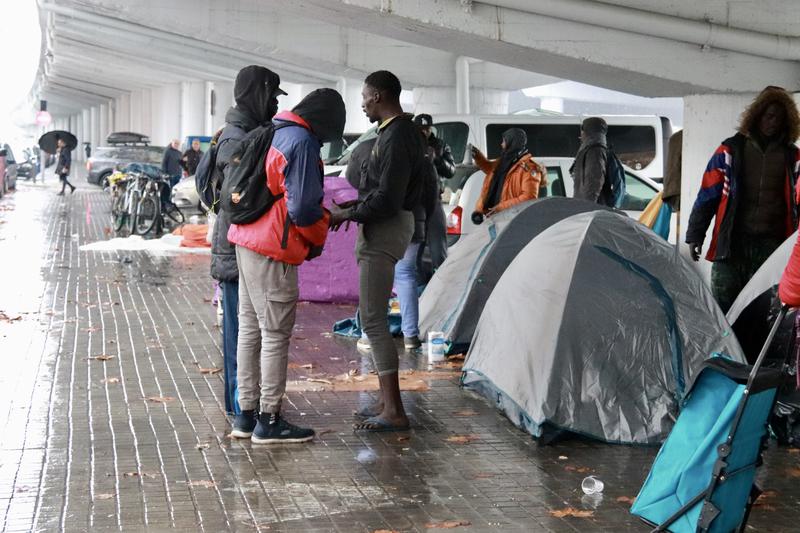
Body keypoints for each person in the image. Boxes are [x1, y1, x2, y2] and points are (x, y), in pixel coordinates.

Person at [228, 88, 345, 444]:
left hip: (245, 238)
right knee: (275, 334)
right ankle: (270, 419)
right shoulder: (302, 142)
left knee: (250, 328)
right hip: (272, 248)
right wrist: (318, 236)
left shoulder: (273, 131)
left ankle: (246, 416)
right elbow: (304, 208)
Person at [329, 70, 427, 432]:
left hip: (386, 228)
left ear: (381, 96)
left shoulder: (398, 135)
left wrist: (347, 213)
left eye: (366, 96)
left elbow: (387, 198)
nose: (363, 103)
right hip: (387, 225)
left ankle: (395, 411)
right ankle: (387, 403)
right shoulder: (396, 132)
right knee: (373, 316)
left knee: (372, 318)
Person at [210, 65, 286, 420]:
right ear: (258, 94)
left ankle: (246, 405)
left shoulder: (248, 130)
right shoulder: (236, 138)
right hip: (236, 249)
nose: (273, 104)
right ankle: (241, 408)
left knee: (248, 331)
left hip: (243, 245)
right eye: (271, 96)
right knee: (241, 333)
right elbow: (241, 195)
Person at [686, 86, 800, 313]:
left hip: (772, 247)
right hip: (731, 244)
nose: (773, 122)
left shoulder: (793, 157)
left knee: (763, 312)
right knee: (723, 310)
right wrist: (695, 234)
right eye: (769, 115)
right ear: (757, 115)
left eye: (779, 117)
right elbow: (708, 194)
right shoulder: (730, 150)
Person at [414, 113, 453, 284]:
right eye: (421, 129)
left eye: (427, 128)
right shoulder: (408, 144)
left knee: (438, 247)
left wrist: (437, 159)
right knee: (416, 248)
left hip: (434, 200)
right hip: (414, 202)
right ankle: (420, 285)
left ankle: (441, 284)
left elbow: (451, 170)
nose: (425, 131)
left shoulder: (440, 145)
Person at [471, 128, 544, 219]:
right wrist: (477, 156)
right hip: (495, 217)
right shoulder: (505, 161)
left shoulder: (529, 168)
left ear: (512, 142)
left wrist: (501, 207)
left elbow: (529, 198)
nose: (501, 144)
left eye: (504, 141)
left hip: (512, 219)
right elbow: (490, 169)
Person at [571, 117, 610, 204]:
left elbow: (594, 181)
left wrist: (587, 207)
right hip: (586, 206)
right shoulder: (589, 149)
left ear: (589, 131)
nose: (581, 134)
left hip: (591, 209)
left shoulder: (595, 151)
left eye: (583, 130)